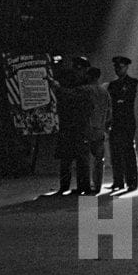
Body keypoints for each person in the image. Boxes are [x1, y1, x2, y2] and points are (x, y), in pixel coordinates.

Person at [49, 56, 92, 194]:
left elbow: (76, 96)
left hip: (80, 124)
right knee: (66, 157)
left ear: (85, 70)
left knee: (81, 158)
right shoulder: (69, 81)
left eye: (79, 69)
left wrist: (58, 88)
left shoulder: (87, 84)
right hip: (68, 123)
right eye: (75, 68)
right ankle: (64, 185)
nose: (76, 71)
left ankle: (83, 186)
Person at [107, 55, 138, 191]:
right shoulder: (112, 85)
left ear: (126, 67)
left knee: (128, 152)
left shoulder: (133, 82)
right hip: (116, 121)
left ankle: (131, 181)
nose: (117, 70)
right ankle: (118, 180)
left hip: (127, 120)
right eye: (116, 67)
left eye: (120, 67)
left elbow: (128, 99)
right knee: (115, 152)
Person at [84, 66, 112, 194]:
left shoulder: (86, 90)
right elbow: (109, 111)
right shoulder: (104, 92)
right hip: (100, 128)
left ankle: (87, 184)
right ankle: (98, 184)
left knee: (87, 157)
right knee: (99, 158)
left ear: (89, 76)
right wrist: (106, 126)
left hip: (88, 127)